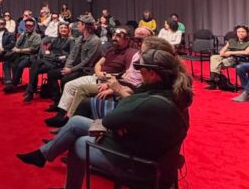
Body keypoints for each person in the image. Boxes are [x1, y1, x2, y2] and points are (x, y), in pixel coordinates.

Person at [16, 46, 193, 189]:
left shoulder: (150, 101)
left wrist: (118, 92)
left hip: (143, 166)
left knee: (78, 143)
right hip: (149, 152)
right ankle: (42, 155)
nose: (138, 72)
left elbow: (109, 120)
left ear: (153, 74)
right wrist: (123, 121)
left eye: (140, 69)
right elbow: (124, 117)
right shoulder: (173, 93)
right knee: (76, 122)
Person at [44, 26, 136, 127]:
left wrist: (110, 84)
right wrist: (99, 72)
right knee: (69, 85)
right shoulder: (112, 50)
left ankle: (69, 119)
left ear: (127, 39)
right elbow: (98, 64)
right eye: (114, 35)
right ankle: (60, 115)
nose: (114, 37)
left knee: (79, 87)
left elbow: (127, 75)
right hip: (97, 76)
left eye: (118, 36)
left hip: (108, 81)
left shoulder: (130, 53)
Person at [44, 15, 102, 112]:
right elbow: (72, 54)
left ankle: (65, 107)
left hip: (85, 70)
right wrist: (67, 66)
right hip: (73, 68)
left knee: (65, 80)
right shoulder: (80, 38)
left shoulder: (95, 41)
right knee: (52, 74)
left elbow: (87, 61)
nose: (77, 26)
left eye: (79, 24)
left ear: (84, 26)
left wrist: (71, 70)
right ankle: (57, 101)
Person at [23, 23, 73, 103]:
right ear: (58, 30)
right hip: (50, 60)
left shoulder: (70, 40)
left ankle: (30, 91)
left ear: (68, 30)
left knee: (34, 67)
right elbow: (49, 50)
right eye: (61, 28)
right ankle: (30, 91)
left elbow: (71, 55)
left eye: (65, 28)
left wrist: (59, 58)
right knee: (35, 66)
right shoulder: (56, 39)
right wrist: (48, 53)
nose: (63, 29)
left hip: (59, 63)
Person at [205, 24, 249, 91]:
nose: (240, 33)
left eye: (243, 32)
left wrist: (230, 52)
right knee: (214, 57)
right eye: (239, 32)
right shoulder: (232, 40)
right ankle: (215, 80)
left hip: (239, 58)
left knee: (218, 63)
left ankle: (214, 82)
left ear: (247, 33)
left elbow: (246, 52)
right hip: (228, 56)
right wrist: (222, 53)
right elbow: (223, 50)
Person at [3, 19, 41, 93]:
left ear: (34, 26)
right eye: (27, 26)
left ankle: (13, 85)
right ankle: (8, 82)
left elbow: (33, 49)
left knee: (20, 65)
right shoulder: (23, 34)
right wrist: (15, 47)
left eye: (30, 26)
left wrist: (20, 50)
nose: (28, 27)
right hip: (18, 54)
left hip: (29, 56)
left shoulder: (37, 36)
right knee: (6, 62)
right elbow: (17, 44)